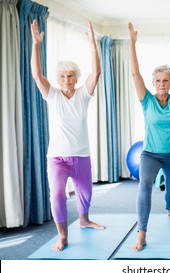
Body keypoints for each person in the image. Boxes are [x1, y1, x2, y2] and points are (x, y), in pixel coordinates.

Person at [30, 19, 105, 252]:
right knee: (58, 196)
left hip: (81, 156)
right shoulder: (52, 95)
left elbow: (97, 72)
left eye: (70, 76)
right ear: (57, 79)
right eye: (62, 76)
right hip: (58, 158)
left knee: (86, 195)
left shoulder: (84, 95)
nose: (66, 80)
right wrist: (36, 45)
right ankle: (62, 235)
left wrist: (93, 44)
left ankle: (84, 220)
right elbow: (36, 74)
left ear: (77, 78)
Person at [128, 22, 170, 252]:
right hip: (150, 154)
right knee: (144, 185)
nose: (162, 84)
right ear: (153, 83)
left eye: (166, 80)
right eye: (158, 81)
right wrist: (132, 44)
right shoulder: (147, 100)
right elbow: (135, 73)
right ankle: (142, 233)